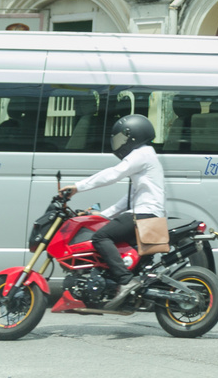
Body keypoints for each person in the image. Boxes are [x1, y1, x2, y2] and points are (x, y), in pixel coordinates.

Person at [59, 113, 163, 308]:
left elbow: (113, 174)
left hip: (143, 214)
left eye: (122, 138)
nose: (119, 144)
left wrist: (77, 187)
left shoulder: (141, 154)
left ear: (133, 135)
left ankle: (125, 281)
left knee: (100, 237)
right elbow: (128, 200)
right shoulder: (147, 156)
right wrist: (103, 215)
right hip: (146, 213)